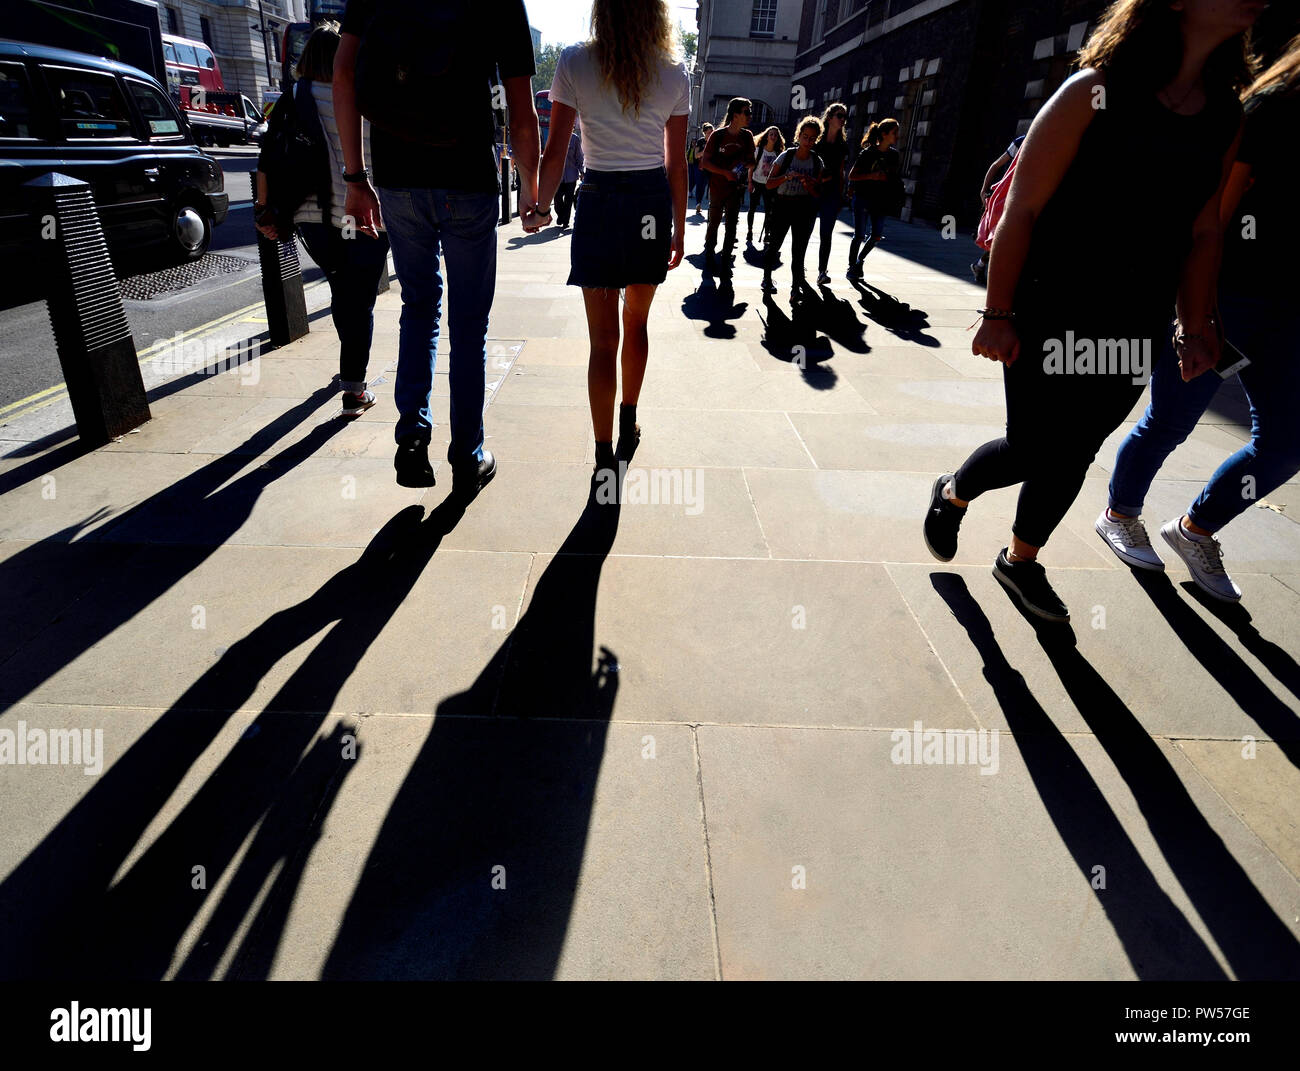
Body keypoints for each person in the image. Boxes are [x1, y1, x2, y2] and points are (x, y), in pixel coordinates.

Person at [923, 0, 1256, 623]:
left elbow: (1205, 229)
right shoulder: (1094, 92)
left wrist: (1196, 323)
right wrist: (998, 312)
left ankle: (1021, 562)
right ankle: (954, 491)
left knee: (1076, 450)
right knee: (1032, 447)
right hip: (1052, 302)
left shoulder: (1223, 113)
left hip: (1138, 316)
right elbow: (1021, 208)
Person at [1096, 33, 1299, 602]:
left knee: (1286, 444)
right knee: (1172, 420)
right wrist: (1198, 315)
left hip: (1289, 310)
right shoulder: (1272, 109)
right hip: (1229, 296)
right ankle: (1119, 514)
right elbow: (1214, 217)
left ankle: (1195, 530)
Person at [334, 0, 541, 493]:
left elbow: (343, 76)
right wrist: (531, 192)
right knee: (469, 324)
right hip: (467, 177)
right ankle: (467, 455)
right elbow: (522, 109)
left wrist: (354, 178)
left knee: (420, 306)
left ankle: (411, 438)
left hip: (397, 176)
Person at [534, 0, 688, 479]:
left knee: (602, 341)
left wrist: (540, 205)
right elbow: (676, 162)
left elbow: (556, 148)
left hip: (598, 201)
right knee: (636, 324)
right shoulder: (674, 72)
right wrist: (679, 228)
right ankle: (629, 420)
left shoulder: (575, 62)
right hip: (648, 203)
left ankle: (602, 452)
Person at [255, 25, 389, 418]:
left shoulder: (291, 100)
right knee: (359, 300)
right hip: (366, 215)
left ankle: (350, 371)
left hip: (312, 217)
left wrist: (264, 210)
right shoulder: (364, 96)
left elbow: (265, 160)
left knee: (340, 289)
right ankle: (354, 389)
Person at [760, 115, 824, 301]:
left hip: (803, 207)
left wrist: (810, 184)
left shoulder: (816, 161)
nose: (808, 141)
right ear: (799, 135)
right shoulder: (786, 156)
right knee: (775, 245)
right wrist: (786, 177)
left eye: (812, 138)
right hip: (783, 204)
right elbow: (769, 184)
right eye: (805, 136)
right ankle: (767, 278)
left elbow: (818, 192)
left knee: (799, 250)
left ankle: (795, 288)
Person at [699, 98, 755, 279]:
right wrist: (724, 172)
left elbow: (752, 161)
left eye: (750, 112)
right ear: (735, 114)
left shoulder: (747, 136)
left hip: (735, 189)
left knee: (731, 225)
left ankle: (725, 261)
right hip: (717, 187)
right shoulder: (718, 135)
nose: (750, 116)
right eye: (746, 112)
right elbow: (704, 162)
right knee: (713, 222)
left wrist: (743, 165)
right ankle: (709, 254)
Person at [846, 117, 901, 278]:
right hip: (863, 197)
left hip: (881, 200)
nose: (897, 136)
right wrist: (872, 176)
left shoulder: (894, 155)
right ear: (884, 134)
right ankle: (852, 267)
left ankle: (860, 260)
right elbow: (852, 175)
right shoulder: (868, 153)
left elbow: (893, 177)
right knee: (859, 235)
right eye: (894, 132)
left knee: (876, 235)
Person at [971, 135, 1025, 285]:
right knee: (1001, 239)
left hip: (1024, 197)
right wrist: (983, 190)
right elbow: (996, 165)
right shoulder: (1022, 141)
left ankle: (980, 265)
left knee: (1002, 240)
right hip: (1007, 198)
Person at [813, 102, 850, 285]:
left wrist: (843, 193)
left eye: (844, 116)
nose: (843, 119)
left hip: (832, 192)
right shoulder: (816, 142)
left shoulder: (842, 145)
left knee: (826, 234)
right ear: (829, 118)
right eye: (839, 115)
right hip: (812, 191)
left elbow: (841, 171)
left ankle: (822, 271)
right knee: (803, 232)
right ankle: (799, 269)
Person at [747, 125, 784, 246]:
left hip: (769, 185)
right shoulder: (759, 150)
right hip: (756, 182)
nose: (773, 137)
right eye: (771, 134)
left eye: (775, 135)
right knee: (752, 208)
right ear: (767, 136)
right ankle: (750, 231)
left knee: (769, 211)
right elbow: (751, 168)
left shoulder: (778, 153)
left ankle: (767, 233)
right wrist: (750, 183)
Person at [555, 121, 584, 229]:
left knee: (568, 199)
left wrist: (582, 171)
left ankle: (565, 221)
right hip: (557, 175)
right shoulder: (556, 138)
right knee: (557, 198)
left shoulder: (575, 139)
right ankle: (560, 215)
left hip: (571, 175)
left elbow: (579, 157)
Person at [690, 123, 713, 215]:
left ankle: (712, 204)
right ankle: (698, 203)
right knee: (700, 186)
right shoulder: (701, 141)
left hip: (710, 167)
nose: (710, 134)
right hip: (700, 167)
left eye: (712, 132)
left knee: (712, 185)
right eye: (708, 132)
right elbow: (696, 155)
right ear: (704, 133)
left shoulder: (714, 141)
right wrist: (705, 151)